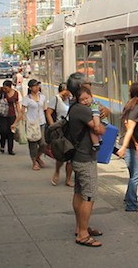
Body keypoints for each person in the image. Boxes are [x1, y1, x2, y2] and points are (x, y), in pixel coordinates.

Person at [67, 72, 106, 247]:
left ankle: (80, 227)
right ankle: (83, 234)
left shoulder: (74, 107)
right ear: (80, 88)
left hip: (77, 156)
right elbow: (98, 130)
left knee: (78, 192)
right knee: (89, 196)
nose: (90, 86)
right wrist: (101, 125)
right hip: (85, 157)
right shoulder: (83, 109)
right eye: (87, 84)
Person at [116, 82, 138, 212]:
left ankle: (129, 197)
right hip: (131, 147)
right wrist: (124, 147)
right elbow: (130, 129)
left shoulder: (130, 106)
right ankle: (131, 204)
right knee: (136, 174)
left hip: (130, 146)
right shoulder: (135, 108)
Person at [47, 82, 73, 186]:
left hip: (70, 130)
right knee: (61, 155)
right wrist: (52, 126)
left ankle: (68, 179)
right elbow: (48, 113)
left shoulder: (71, 100)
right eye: (66, 91)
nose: (67, 94)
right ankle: (57, 171)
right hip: (60, 131)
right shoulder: (56, 99)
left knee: (71, 155)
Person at [0, 80, 20, 155]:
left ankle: (10, 149)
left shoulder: (15, 93)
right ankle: (2, 144)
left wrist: (20, 114)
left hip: (11, 114)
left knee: (10, 132)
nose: (5, 90)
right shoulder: (2, 90)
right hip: (1, 114)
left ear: (10, 87)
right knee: (3, 130)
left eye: (6, 88)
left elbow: (17, 103)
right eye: (4, 88)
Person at [22, 79, 47, 170]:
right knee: (33, 143)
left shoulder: (43, 97)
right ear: (30, 88)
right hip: (31, 123)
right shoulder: (27, 99)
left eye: (38, 86)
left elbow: (45, 109)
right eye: (35, 86)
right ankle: (34, 162)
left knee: (43, 143)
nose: (37, 87)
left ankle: (38, 157)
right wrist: (17, 123)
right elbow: (22, 111)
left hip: (41, 122)